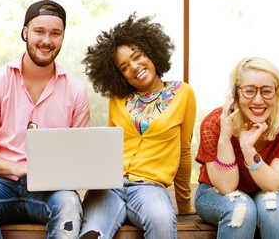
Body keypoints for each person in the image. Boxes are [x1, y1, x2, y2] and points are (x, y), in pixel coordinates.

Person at [0, 0, 89, 239]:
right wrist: (15, 168)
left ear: (62, 37)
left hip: (50, 188)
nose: (47, 41)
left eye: (55, 33)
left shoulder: (76, 90)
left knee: (70, 205)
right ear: (25, 32)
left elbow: (79, 156)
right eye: (39, 31)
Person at [79, 13, 196, 239]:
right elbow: (109, 147)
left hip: (149, 187)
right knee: (92, 234)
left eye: (137, 56)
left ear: (151, 53)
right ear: (119, 75)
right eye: (124, 67)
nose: (134, 66)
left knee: (162, 222)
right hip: (109, 186)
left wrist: (183, 203)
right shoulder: (117, 98)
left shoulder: (183, 93)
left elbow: (183, 150)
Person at [194, 57, 279, 238]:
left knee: (272, 209)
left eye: (267, 91)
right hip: (215, 192)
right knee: (241, 208)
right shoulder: (213, 124)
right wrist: (225, 139)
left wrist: (248, 149)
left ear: (277, 93)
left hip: (269, 189)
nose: (258, 100)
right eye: (249, 91)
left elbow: (274, 184)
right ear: (236, 93)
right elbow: (226, 187)